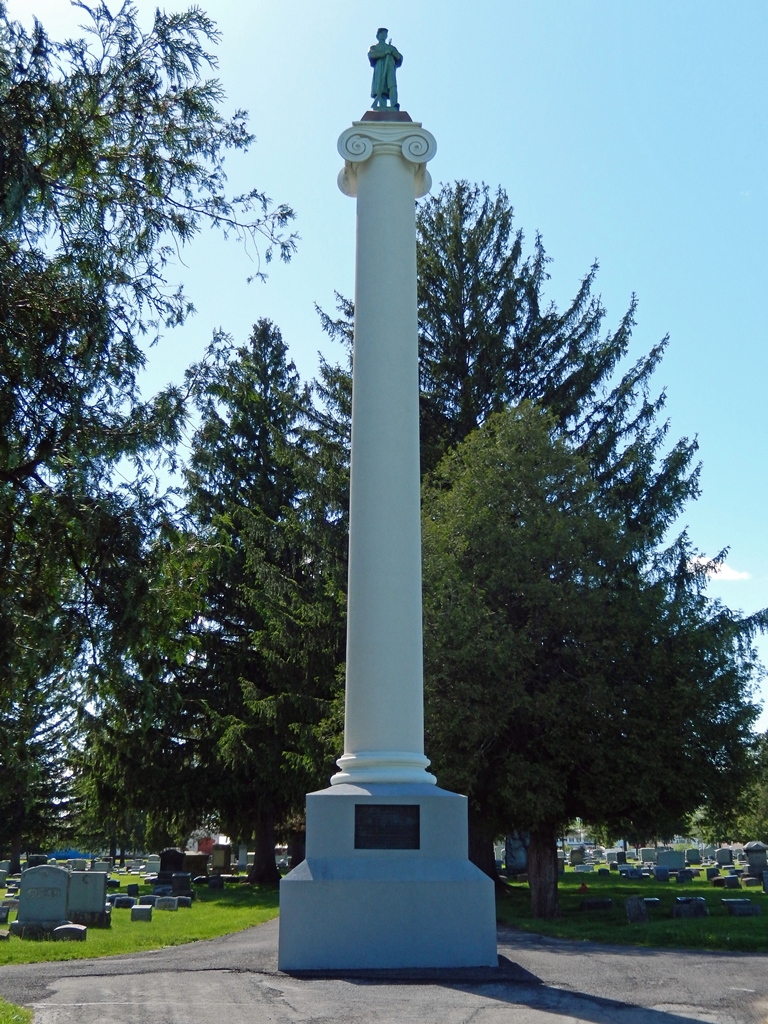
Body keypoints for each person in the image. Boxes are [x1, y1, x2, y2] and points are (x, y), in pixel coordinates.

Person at [368, 28, 402, 110]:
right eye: (381, 33)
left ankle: (394, 104)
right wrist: (384, 53)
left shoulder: (391, 47)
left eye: (385, 34)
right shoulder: (374, 47)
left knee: (392, 85)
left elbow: (400, 57)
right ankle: (382, 106)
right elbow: (371, 55)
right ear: (377, 36)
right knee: (380, 86)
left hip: (390, 66)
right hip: (380, 67)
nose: (383, 35)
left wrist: (392, 52)